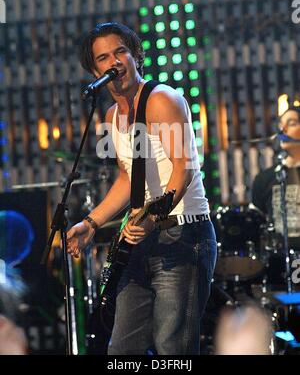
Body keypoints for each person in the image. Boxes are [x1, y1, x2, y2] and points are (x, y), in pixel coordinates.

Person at [67, 22, 217, 355]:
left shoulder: (162, 99)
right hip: (138, 240)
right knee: (122, 350)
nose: (114, 62)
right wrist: (90, 223)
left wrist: (154, 218)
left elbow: (185, 168)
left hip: (182, 234)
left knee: (172, 349)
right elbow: (126, 177)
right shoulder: (109, 116)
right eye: (103, 57)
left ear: (136, 56)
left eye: (120, 51)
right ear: (94, 70)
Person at [252, 106, 300, 247]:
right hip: (278, 263)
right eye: (280, 125)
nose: (282, 129)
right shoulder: (264, 179)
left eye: (291, 123)